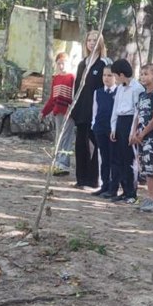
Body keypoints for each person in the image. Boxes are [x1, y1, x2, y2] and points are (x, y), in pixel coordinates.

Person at [71, 30, 109, 189]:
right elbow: (77, 88)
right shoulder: (82, 63)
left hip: (97, 111)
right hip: (81, 111)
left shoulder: (104, 63)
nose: (92, 43)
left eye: (95, 40)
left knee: (97, 144)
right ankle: (81, 179)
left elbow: (107, 87)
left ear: (100, 43)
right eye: (89, 40)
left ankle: (95, 180)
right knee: (81, 145)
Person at [108, 59, 143, 204]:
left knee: (130, 159)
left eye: (116, 75)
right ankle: (124, 190)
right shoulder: (120, 88)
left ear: (122, 74)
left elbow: (137, 111)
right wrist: (113, 127)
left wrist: (132, 131)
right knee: (120, 159)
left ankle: (132, 192)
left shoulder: (137, 88)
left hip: (131, 122)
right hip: (120, 121)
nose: (115, 79)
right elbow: (115, 109)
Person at [131, 64, 153, 211]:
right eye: (141, 74)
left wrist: (143, 133)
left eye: (146, 74)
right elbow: (138, 116)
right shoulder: (142, 95)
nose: (143, 77)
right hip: (141, 137)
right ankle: (150, 197)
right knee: (146, 168)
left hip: (152, 137)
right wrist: (134, 133)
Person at [39, 52, 76, 175]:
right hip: (58, 112)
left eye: (63, 63)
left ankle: (64, 164)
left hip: (68, 113)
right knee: (59, 137)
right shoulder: (56, 78)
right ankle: (57, 163)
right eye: (59, 63)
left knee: (66, 138)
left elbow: (74, 97)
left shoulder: (72, 77)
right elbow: (52, 99)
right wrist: (44, 112)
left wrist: (72, 111)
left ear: (68, 64)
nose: (61, 66)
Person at [92, 66, 117, 197]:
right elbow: (95, 110)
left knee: (113, 158)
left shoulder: (118, 92)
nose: (106, 78)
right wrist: (94, 125)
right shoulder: (98, 92)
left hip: (112, 130)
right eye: (104, 75)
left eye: (109, 75)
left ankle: (113, 187)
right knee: (104, 158)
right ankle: (104, 184)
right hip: (100, 128)